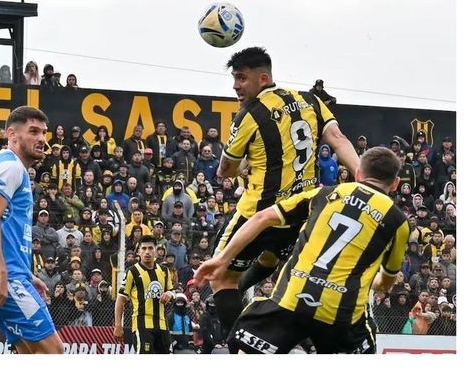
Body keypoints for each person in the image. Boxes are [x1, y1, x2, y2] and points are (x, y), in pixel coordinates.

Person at [210, 46, 360, 350]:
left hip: (259, 213)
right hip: (301, 213)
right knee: (269, 258)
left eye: (241, 79)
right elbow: (340, 140)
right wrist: (360, 173)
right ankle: (306, 342)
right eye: (234, 79)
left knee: (220, 279)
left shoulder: (249, 115)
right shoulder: (311, 101)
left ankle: (242, 347)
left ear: (263, 78)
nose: (236, 86)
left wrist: (241, 166)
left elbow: (225, 171)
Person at [195, 147, 409, 353]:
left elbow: (262, 217)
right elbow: (386, 283)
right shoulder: (399, 221)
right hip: (341, 318)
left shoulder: (326, 193)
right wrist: (367, 277)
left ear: (359, 173)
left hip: (290, 303)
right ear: (396, 183)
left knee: (243, 348)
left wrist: (222, 259)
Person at [0, 106, 64, 354]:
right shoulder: (10, 167)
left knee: (31, 353)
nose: (42, 139)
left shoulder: (10, 167)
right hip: (5, 278)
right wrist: (3, 273)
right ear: (12, 134)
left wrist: (25, 273)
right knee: (54, 352)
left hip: (4, 274)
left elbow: (5, 226)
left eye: (44, 133)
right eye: (33, 131)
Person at [113, 235, 175, 354]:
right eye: (144, 248)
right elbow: (120, 299)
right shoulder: (132, 272)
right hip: (142, 325)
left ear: (156, 251)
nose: (147, 252)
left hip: (162, 324)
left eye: (151, 248)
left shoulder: (164, 271)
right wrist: (118, 325)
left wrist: (170, 294)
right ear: (139, 252)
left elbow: (172, 293)